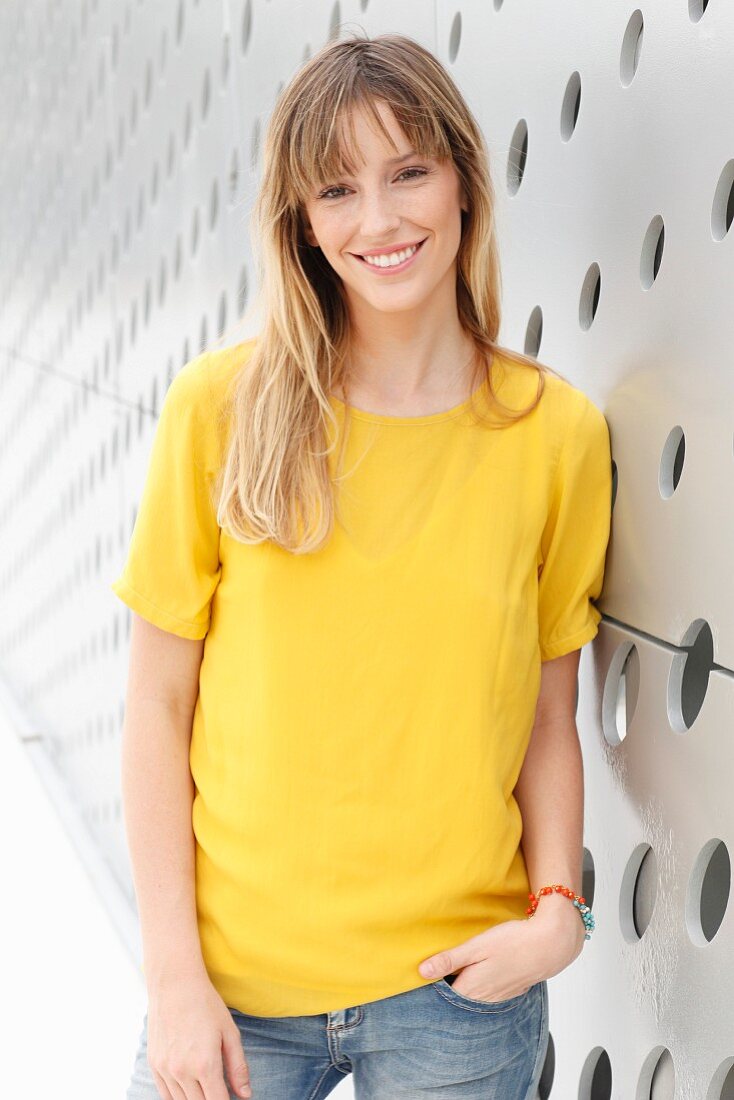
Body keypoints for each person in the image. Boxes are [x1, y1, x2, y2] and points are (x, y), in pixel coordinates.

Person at [113, 30, 612, 1100]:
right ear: (298, 223)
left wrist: (556, 914)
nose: (378, 221)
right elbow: (155, 705)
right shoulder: (218, 411)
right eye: (334, 190)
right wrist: (171, 979)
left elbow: (544, 711)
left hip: (457, 994)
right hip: (233, 995)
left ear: (463, 182)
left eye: (407, 172)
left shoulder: (552, 432)